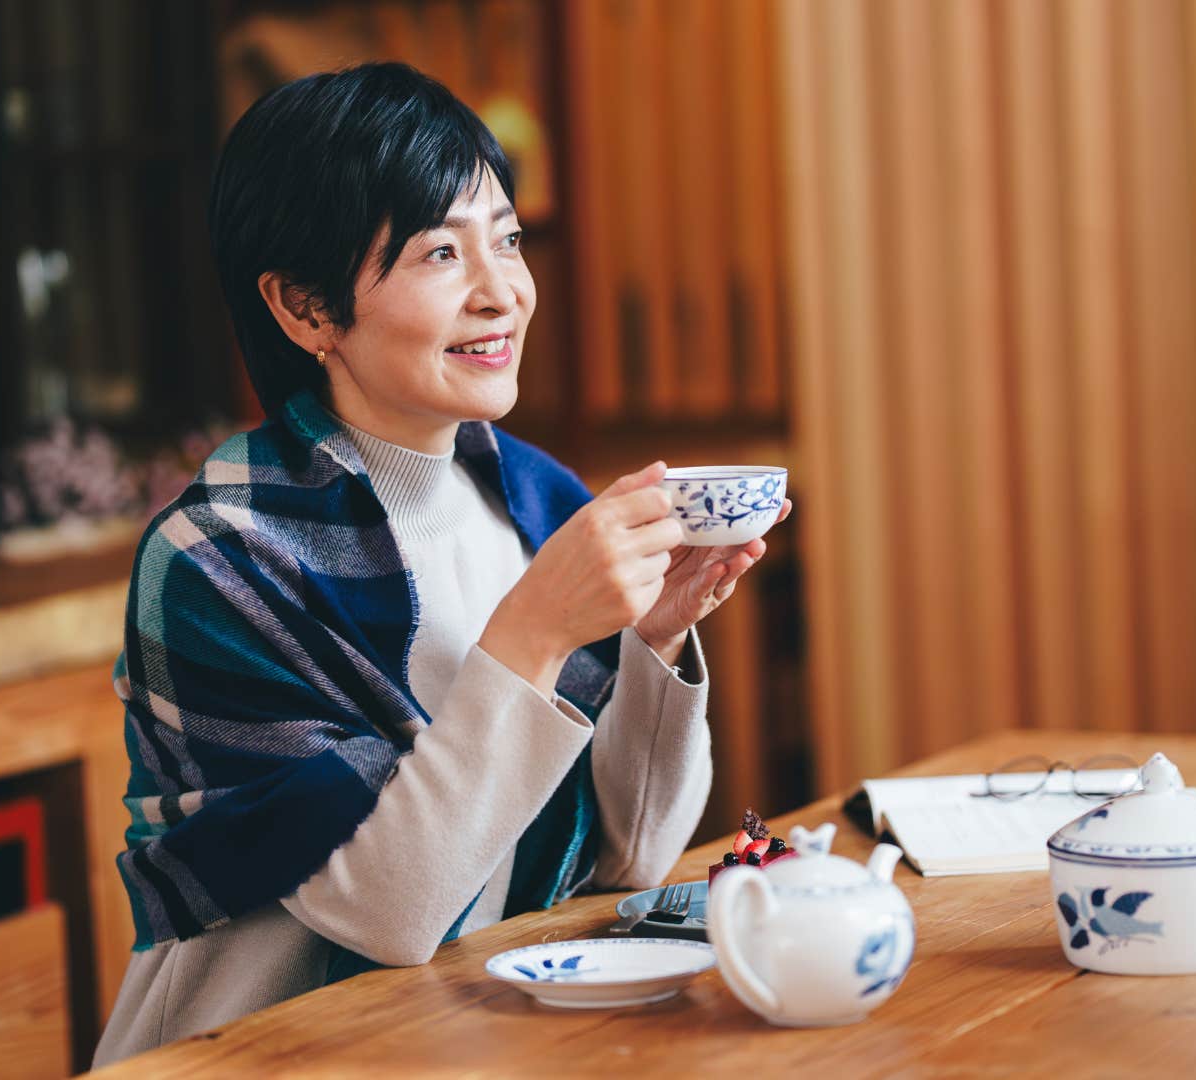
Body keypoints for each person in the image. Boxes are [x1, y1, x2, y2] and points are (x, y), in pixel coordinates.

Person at [92, 62, 787, 1064]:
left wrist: (653, 636)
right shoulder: (219, 560)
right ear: (306, 310)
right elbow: (391, 912)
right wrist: (536, 633)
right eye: (438, 253)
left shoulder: (534, 496)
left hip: (470, 1040)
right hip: (256, 1055)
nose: (501, 290)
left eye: (504, 238)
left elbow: (631, 856)